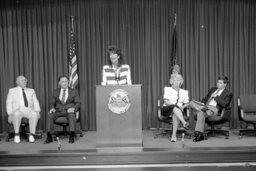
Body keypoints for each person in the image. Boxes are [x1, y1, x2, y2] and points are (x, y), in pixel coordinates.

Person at [189, 75, 233, 142]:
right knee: (191, 103)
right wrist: (204, 102)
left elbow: (225, 105)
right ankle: (204, 109)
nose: (218, 84)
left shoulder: (228, 93)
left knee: (201, 112)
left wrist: (216, 97)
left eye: (220, 83)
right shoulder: (213, 89)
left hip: (214, 109)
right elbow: (204, 99)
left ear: (225, 84)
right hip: (205, 107)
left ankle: (199, 133)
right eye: (218, 82)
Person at [44, 75, 81, 144]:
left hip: (69, 110)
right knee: (49, 115)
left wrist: (73, 108)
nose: (64, 83)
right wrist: (52, 108)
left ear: (68, 82)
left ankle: (72, 135)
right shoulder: (55, 91)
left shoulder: (74, 91)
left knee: (71, 115)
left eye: (66, 81)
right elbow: (52, 103)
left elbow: (78, 103)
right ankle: (49, 136)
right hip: (58, 111)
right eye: (62, 81)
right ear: (59, 83)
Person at [6, 75, 41, 143]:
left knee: (34, 114)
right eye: (23, 80)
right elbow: (9, 103)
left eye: (25, 80)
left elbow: (35, 102)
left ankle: (31, 135)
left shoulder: (31, 90)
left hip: (28, 109)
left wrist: (37, 111)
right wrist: (9, 114)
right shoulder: (12, 91)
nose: (25, 81)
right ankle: (16, 134)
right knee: (16, 114)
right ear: (17, 82)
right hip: (17, 109)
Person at [161, 73, 190, 142]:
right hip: (167, 109)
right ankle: (184, 122)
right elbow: (166, 101)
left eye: (178, 80)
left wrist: (183, 106)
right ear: (171, 82)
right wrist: (176, 106)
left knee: (175, 114)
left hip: (178, 111)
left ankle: (173, 136)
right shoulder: (167, 89)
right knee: (174, 108)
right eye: (174, 80)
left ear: (181, 82)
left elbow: (187, 103)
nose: (176, 82)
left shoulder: (184, 92)